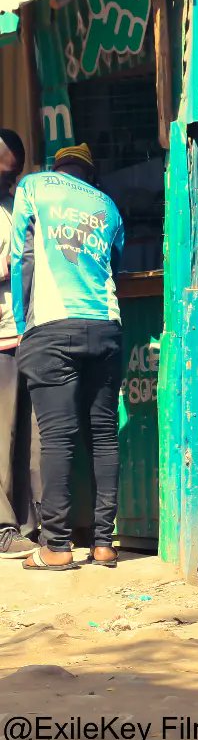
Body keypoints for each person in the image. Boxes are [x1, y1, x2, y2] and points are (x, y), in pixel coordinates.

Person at [10, 143, 125, 571]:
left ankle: (56, 545)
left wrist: (24, 327)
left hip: (53, 325)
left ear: (56, 167)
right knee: (104, 435)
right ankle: (103, 543)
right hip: (105, 324)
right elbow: (117, 263)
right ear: (89, 175)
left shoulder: (33, 186)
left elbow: (20, 257)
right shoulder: (108, 204)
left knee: (58, 438)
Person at [0, 129, 38, 560]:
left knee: (30, 437)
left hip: (28, 332)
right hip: (1, 335)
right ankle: (3, 526)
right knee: (2, 435)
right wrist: (16, 267)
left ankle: (29, 523)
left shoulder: (20, 204)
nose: (9, 181)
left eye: (14, 174)